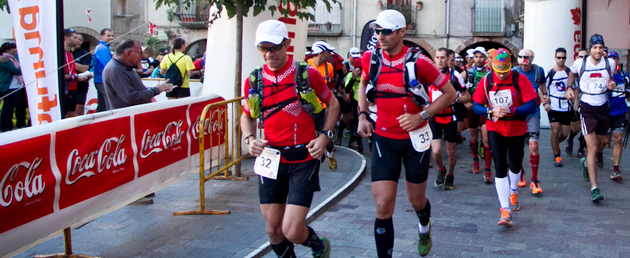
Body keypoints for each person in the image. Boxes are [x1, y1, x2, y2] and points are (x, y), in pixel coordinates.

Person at [357, 10, 457, 257]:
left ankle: (424, 227)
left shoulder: (420, 62)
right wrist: (362, 114)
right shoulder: (371, 58)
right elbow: (362, 83)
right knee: (382, 205)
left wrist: (420, 116)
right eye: (377, 31)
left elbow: (450, 94)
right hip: (383, 139)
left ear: (402, 32)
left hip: (415, 141)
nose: (380, 36)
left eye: (386, 31)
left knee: (416, 201)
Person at [240, 19, 338, 258]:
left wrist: (325, 136)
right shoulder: (254, 81)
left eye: (274, 47)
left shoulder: (307, 74)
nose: (269, 53)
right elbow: (247, 116)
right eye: (264, 48)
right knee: (273, 230)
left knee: (292, 231)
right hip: (271, 158)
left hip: (303, 157)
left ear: (287, 44)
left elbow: (333, 103)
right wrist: (250, 138)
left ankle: (317, 244)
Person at [473, 48, 538, 225]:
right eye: (498, 71)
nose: (501, 75)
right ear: (492, 66)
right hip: (495, 127)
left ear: (510, 66)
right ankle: (505, 210)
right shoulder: (487, 80)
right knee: (500, 166)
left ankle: (514, 191)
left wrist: (512, 110)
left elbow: (531, 106)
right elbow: (476, 106)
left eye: (505, 71)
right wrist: (490, 110)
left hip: (516, 127)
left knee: (514, 165)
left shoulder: (520, 79)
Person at [565, 34, 617, 202]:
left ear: (603, 49)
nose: (598, 50)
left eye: (600, 47)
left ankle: (587, 163)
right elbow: (572, 74)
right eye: (595, 47)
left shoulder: (610, 63)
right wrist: (569, 88)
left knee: (602, 144)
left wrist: (612, 85)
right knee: (592, 148)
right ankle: (595, 188)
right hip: (587, 106)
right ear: (590, 49)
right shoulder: (581, 63)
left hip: (603, 106)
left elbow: (612, 80)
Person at [429, 48, 470, 190]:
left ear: (448, 60)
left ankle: (451, 174)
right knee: (436, 151)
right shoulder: (429, 76)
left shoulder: (455, 76)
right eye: (437, 57)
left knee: (451, 151)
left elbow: (467, 96)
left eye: (442, 58)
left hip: (450, 117)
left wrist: (456, 99)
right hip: (434, 117)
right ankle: (441, 169)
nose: (439, 60)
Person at [102, 40, 176, 110]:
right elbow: (131, 97)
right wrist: (157, 89)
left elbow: (136, 90)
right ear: (128, 53)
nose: (143, 56)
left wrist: (155, 89)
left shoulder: (123, 67)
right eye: (140, 53)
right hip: (128, 119)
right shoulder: (116, 70)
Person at [512, 49, 547, 192]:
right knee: (519, 148)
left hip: (533, 112)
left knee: (533, 146)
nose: (523, 67)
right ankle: (521, 173)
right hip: (519, 113)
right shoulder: (514, 72)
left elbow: (542, 84)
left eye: (526, 65)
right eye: (521, 64)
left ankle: (534, 180)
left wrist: (544, 95)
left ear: (531, 61)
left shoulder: (539, 71)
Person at [308, 41, 339, 169]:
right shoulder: (305, 66)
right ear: (321, 53)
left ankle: (330, 153)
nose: (330, 55)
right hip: (308, 108)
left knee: (326, 135)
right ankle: (312, 160)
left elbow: (329, 87)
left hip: (323, 108)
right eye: (328, 52)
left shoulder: (329, 67)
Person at [465, 46, 493, 183]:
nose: (478, 59)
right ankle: (475, 159)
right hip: (471, 108)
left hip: (484, 108)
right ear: (473, 58)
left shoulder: (491, 73)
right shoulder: (468, 72)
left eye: (481, 56)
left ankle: (488, 170)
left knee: (486, 138)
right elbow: (459, 91)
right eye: (476, 57)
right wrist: (466, 103)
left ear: (485, 58)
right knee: (473, 137)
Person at [601, 51, 629, 181]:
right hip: (607, 112)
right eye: (610, 58)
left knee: (618, 140)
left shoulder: (624, 76)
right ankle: (599, 153)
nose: (613, 61)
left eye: (615, 58)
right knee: (605, 141)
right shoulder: (604, 75)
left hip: (620, 112)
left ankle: (616, 169)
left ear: (617, 61)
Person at [546, 48, 573, 171]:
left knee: (564, 133)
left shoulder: (569, 72)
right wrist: (545, 103)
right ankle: (556, 156)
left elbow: (575, 88)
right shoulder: (550, 73)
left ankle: (556, 146)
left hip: (566, 106)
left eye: (563, 58)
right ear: (555, 58)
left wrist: (576, 102)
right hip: (554, 106)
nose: (561, 60)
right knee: (555, 130)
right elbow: (542, 90)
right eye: (559, 57)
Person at [565, 49, 590, 158]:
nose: (583, 59)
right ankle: (570, 141)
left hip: (588, 102)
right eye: (581, 56)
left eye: (585, 56)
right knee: (576, 128)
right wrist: (576, 103)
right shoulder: (573, 72)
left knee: (587, 127)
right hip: (575, 102)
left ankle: (581, 149)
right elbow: (572, 87)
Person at [62, 29, 91, 118]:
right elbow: (59, 75)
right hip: (66, 89)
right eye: (74, 37)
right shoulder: (61, 54)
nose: (77, 40)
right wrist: (76, 77)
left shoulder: (70, 53)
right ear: (66, 38)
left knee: (71, 116)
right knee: (65, 115)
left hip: (74, 88)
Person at [0, 42, 22, 132]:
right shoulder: (5, 59)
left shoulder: (13, 59)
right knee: (7, 107)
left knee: (11, 107)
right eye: (13, 48)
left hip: (16, 85)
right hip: (9, 86)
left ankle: (9, 125)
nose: (15, 50)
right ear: (7, 50)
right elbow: (16, 70)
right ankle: (4, 127)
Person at [344, 57, 364, 153]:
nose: (360, 70)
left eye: (361, 67)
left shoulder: (366, 74)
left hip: (366, 101)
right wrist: (353, 78)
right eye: (358, 68)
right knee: (356, 122)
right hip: (355, 101)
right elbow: (347, 90)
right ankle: (359, 144)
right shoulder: (350, 75)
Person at [71, 34, 93, 116]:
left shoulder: (85, 54)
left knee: (78, 111)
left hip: (81, 86)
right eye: (75, 38)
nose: (77, 41)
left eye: (79, 39)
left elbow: (84, 69)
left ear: (82, 41)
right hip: (68, 86)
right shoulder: (66, 53)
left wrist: (69, 63)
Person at [93, 28, 115, 112]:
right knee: (109, 105)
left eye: (112, 35)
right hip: (103, 80)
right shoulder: (102, 48)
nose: (111, 38)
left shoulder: (102, 48)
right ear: (101, 37)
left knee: (102, 106)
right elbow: (109, 65)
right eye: (108, 36)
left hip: (100, 80)